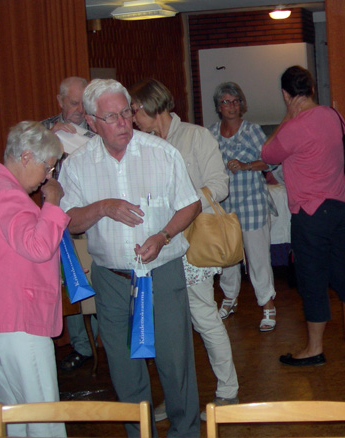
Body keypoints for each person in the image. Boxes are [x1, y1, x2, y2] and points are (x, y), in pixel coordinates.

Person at [58, 79, 202, 437]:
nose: (123, 122)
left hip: (161, 274)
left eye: (126, 112)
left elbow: (190, 204)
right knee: (124, 369)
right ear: (92, 122)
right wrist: (103, 207)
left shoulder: (161, 153)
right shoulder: (77, 165)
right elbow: (69, 220)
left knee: (175, 364)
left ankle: (185, 432)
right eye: (111, 117)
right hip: (112, 280)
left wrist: (163, 235)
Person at [262, 65, 345, 367]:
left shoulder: (294, 127)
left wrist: (287, 117)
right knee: (342, 274)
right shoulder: (333, 115)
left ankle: (314, 349)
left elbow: (267, 154)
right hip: (340, 209)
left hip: (311, 214)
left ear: (285, 94)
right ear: (311, 89)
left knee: (312, 280)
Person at [128, 78, 239, 422]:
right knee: (167, 328)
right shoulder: (141, 145)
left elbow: (220, 185)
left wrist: (184, 208)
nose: (131, 118)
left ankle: (228, 392)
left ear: (152, 106)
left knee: (204, 318)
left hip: (192, 241)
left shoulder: (195, 136)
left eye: (134, 110)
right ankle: (176, 399)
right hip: (158, 246)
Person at [0, 121, 69, 437]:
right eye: (47, 167)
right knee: (43, 418)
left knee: (14, 417)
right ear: (26, 157)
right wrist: (52, 203)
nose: (47, 177)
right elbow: (37, 247)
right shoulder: (7, 193)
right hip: (17, 321)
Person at [208, 81, 278, 332]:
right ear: (219, 107)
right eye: (226, 102)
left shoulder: (252, 130)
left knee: (257, 257)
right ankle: (230, 297)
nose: (231, 106)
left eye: (235, 101)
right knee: (227, 256)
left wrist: (246, 165)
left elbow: (271, 161)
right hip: (224, 206)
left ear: (241, 105)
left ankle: (267, 304)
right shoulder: (211, 133)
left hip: (251, 202)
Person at [43, 76, 99, 372]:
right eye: (73, 103)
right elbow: (19, 160)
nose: (79, 110)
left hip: (96, 220)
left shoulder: (97, 125)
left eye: (83, 103)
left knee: (101, 282)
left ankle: (110, 341)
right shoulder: (43, 129)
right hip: (59, 224)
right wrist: (48, 138)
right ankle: (82, 346)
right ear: (60, 101)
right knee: (72, 284)